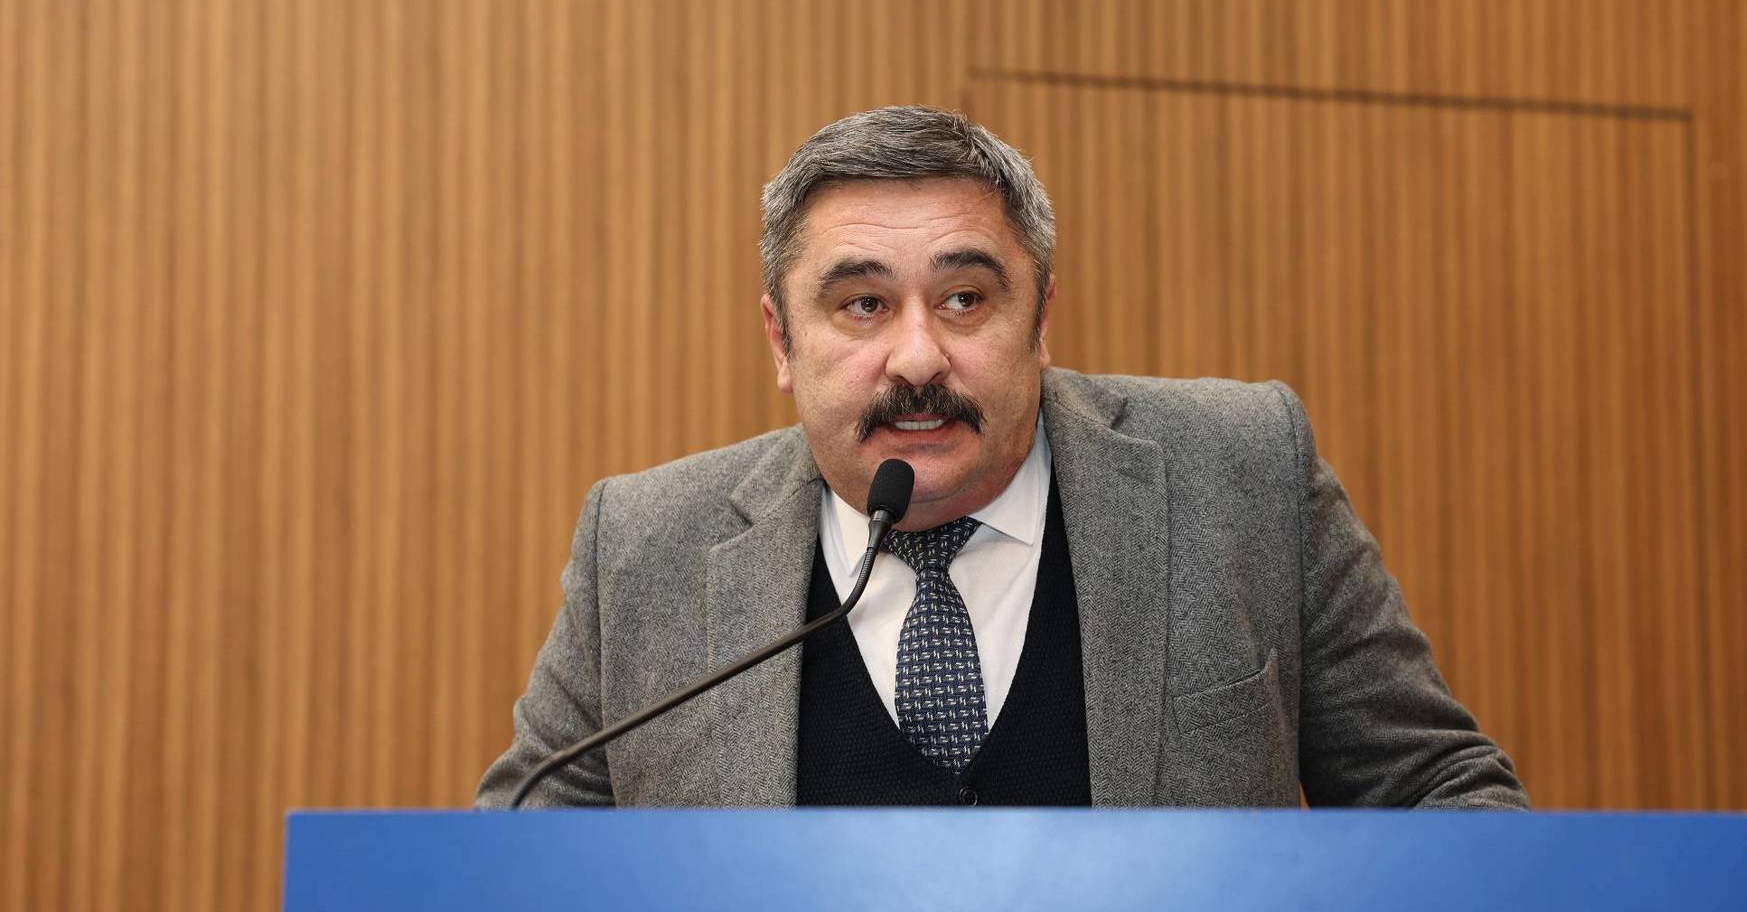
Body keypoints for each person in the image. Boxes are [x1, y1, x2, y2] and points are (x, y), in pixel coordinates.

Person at [475, 105, 1527, 810]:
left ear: (1041, 319)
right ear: (781, 342)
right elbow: (517, 866)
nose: (918, 357)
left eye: (966, 298)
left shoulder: (1241, 473)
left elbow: (1438, 793)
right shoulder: (644, 550)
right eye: (862, 305)